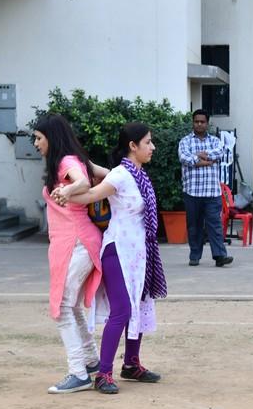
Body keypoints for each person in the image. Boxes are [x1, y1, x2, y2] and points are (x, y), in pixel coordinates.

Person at [59, 122, 167, 394]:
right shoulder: (121, 175)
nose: (152, 147)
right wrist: (67, 193)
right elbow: (92, 195)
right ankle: (103, 373)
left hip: (138, 252)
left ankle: (131, 364)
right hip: (118, 250)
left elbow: (93, 173)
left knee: (138, 306)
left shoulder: (138, 174)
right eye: (148, 142)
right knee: (122, 310)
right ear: (133, 146)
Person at [33, 114, 104, 393]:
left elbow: (83, 183)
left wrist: (71, 189)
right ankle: (90, 362)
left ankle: (78, 373)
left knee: (62, 307)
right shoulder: (74, 160)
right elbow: (108, 175)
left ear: (52, 137)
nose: (36, 143)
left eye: (39, 138)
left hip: (78, 242)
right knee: (70, 306)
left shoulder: (67, 162)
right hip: (75, 243)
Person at [178, 109, 233, 267]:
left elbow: (219, 153)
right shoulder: (185, 141)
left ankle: (220, 256)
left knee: (215, 225)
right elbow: (184, 158)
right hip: (192, 192)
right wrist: (205, 161)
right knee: (194, 226)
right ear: (193, 122)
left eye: (202, 122)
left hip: (211, 192)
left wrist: (198, 156)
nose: (199, 124)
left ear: (207, 123)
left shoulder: (215, 141)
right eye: (196, 121)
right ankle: (195, 256)